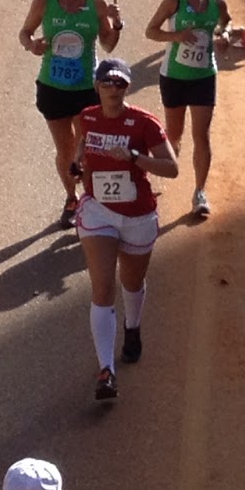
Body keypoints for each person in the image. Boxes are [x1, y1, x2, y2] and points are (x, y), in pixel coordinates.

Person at [73, 57, 179, 399]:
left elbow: (171, 168)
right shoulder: (87, 118)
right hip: (98, 212)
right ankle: (107, 370)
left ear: (127, 87)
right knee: (102, 287)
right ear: (98, 87)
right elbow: (80, 151)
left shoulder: (144, 123)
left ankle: (132, 328)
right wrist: (77, 165)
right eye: (107, 83)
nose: (113, 90)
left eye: (119, 84)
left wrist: (135, 157)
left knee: (131, 283)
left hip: (137, 215)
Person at [20, 0, 123, 231]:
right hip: (52, 89)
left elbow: (108, 44)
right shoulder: (44, 1)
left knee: (88, 148)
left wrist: (116, 24)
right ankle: (71, 200)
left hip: (86, 91)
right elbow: (24, 32)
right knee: (65, 150)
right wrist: (32, 46)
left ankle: (92, 201)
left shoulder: (97, 4)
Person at [145, 0, 231, 217]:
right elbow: (151, 31)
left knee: (202, 136)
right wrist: (176, 37)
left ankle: (199, 193)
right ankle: (157, 175)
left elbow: (226, 21)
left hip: (204, 75)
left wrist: (225, 34)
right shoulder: (174, 1)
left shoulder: (217, 2)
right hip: (174, 77)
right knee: (174, 134)